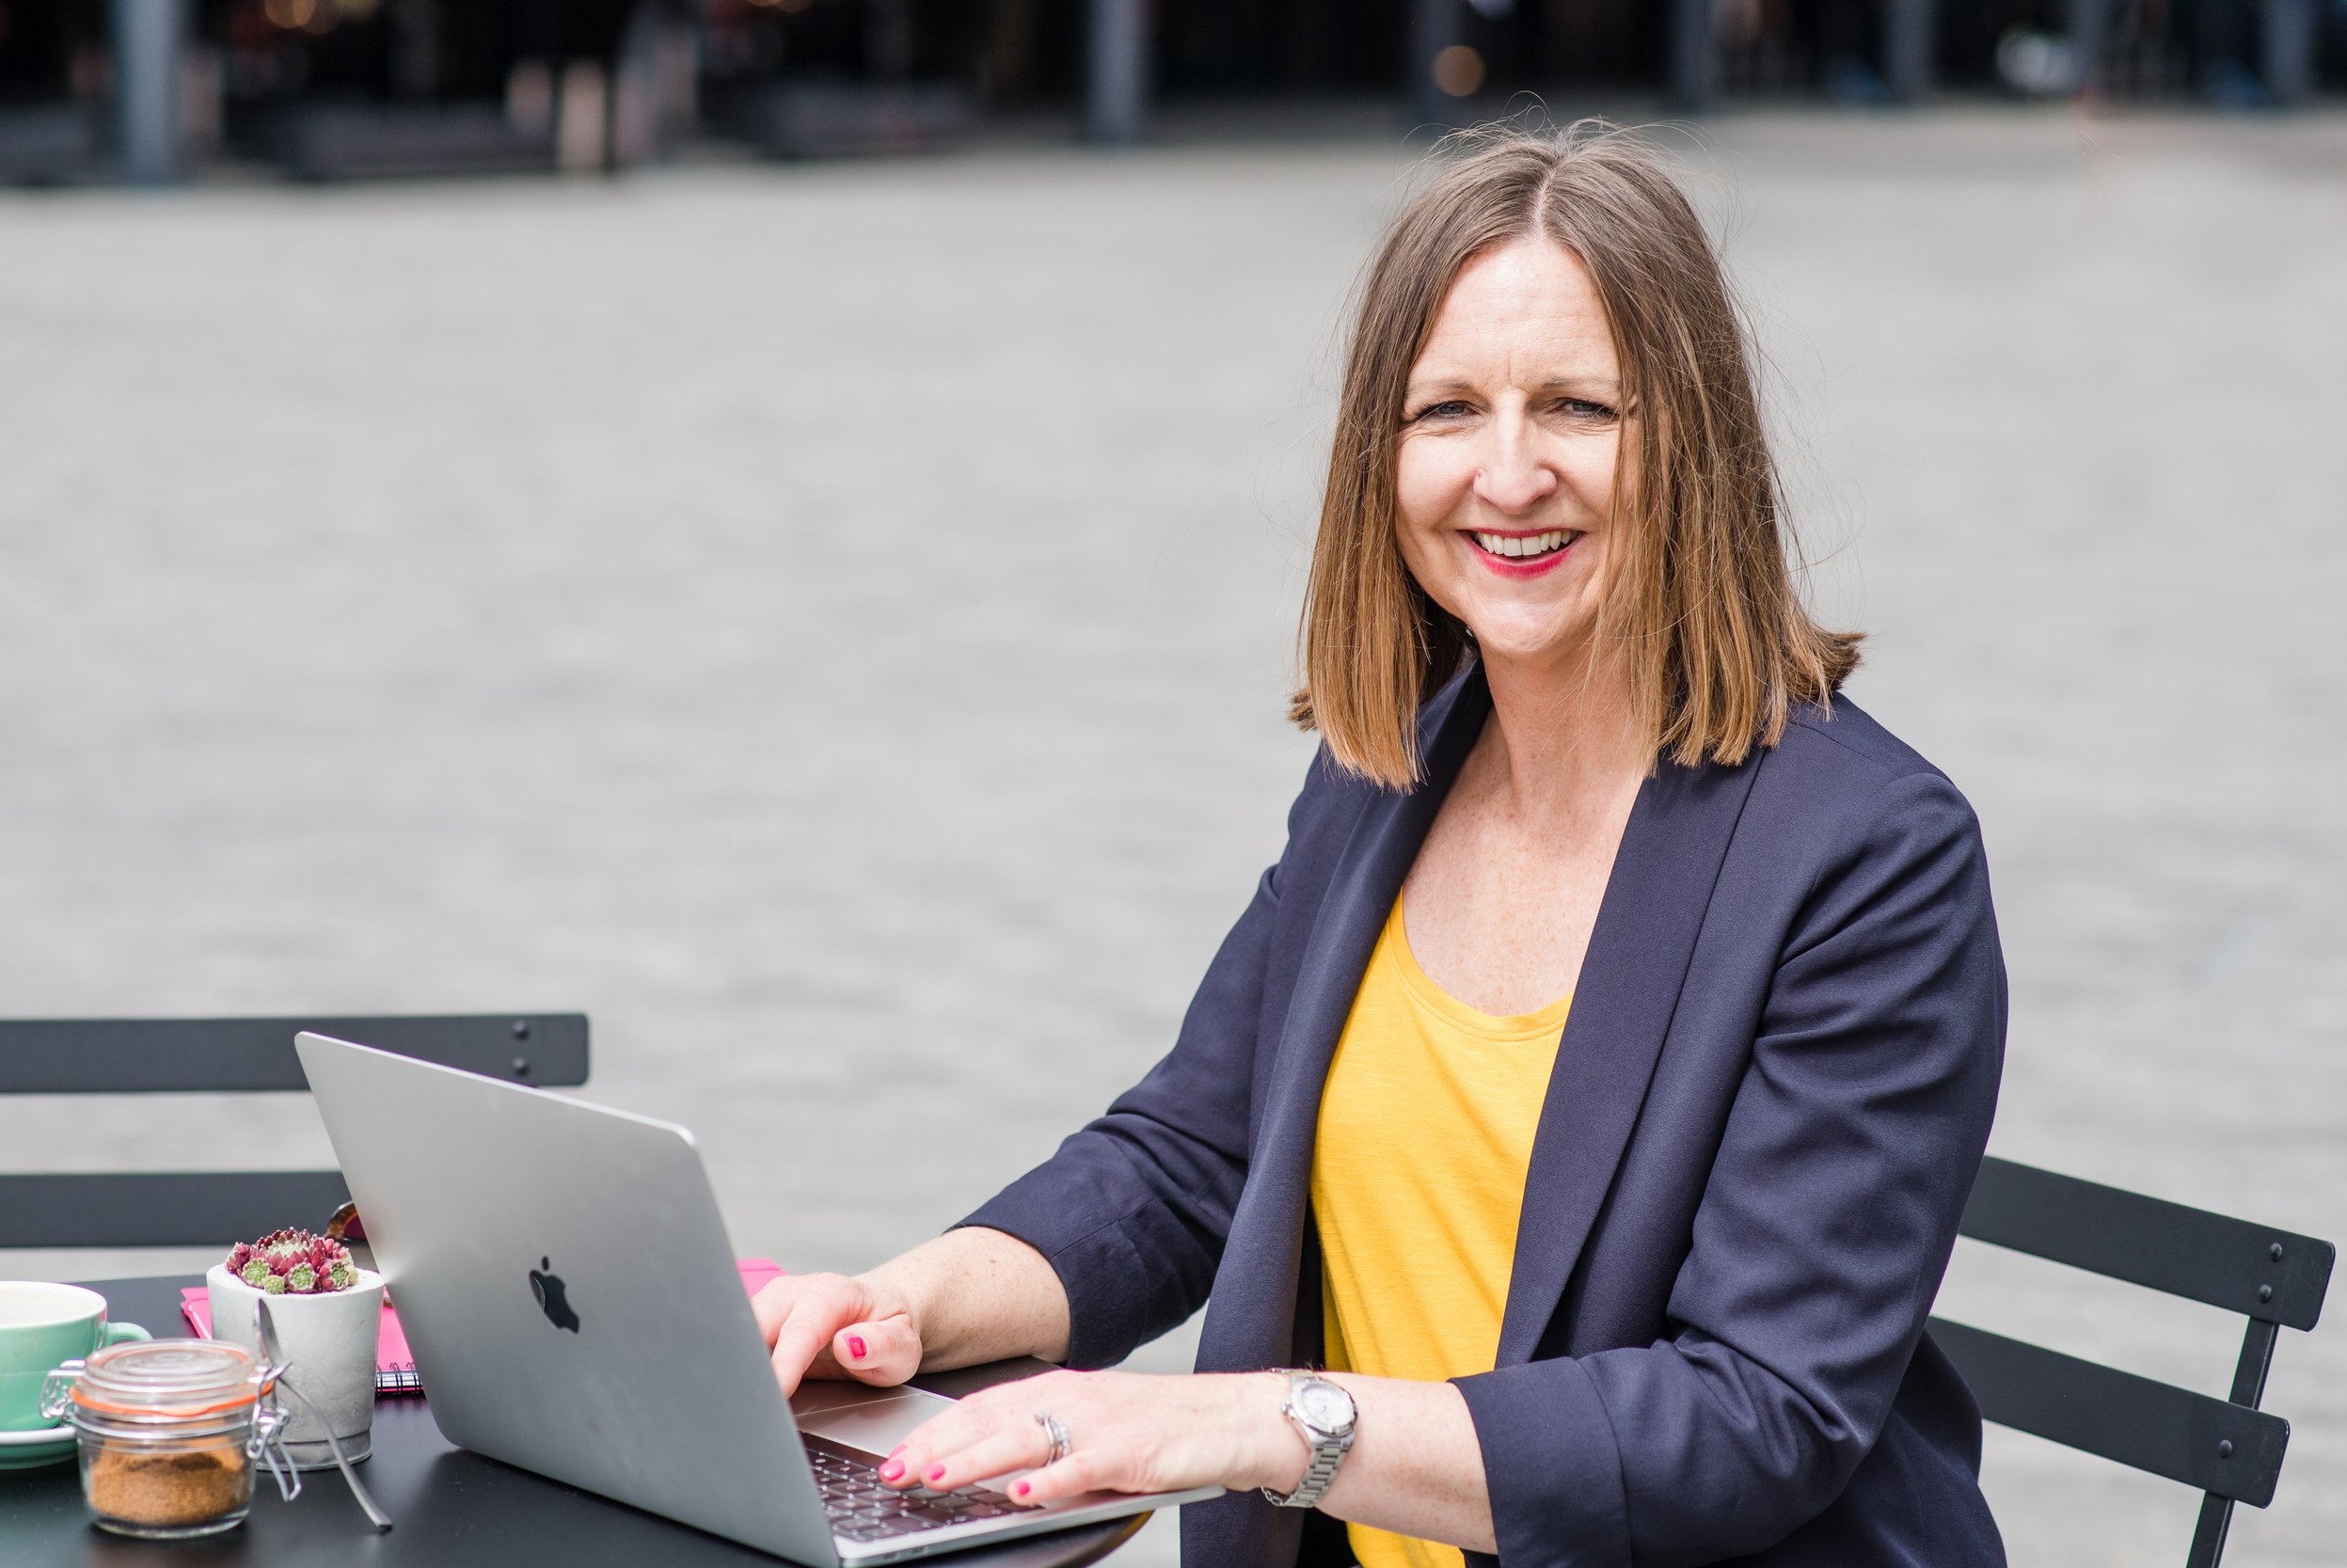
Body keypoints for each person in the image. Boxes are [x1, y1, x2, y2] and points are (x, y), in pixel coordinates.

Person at [753, 122, 2006, 1568]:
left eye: (1582, 408)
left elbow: (1751, 1415)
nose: (1511, 473)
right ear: (1382, 455)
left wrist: (1251, 1425)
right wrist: (893, 1306)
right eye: (1449, 411)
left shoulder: (1869, 859)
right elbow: (1186, 1162)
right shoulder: (1387, 769)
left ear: (1697, 441)